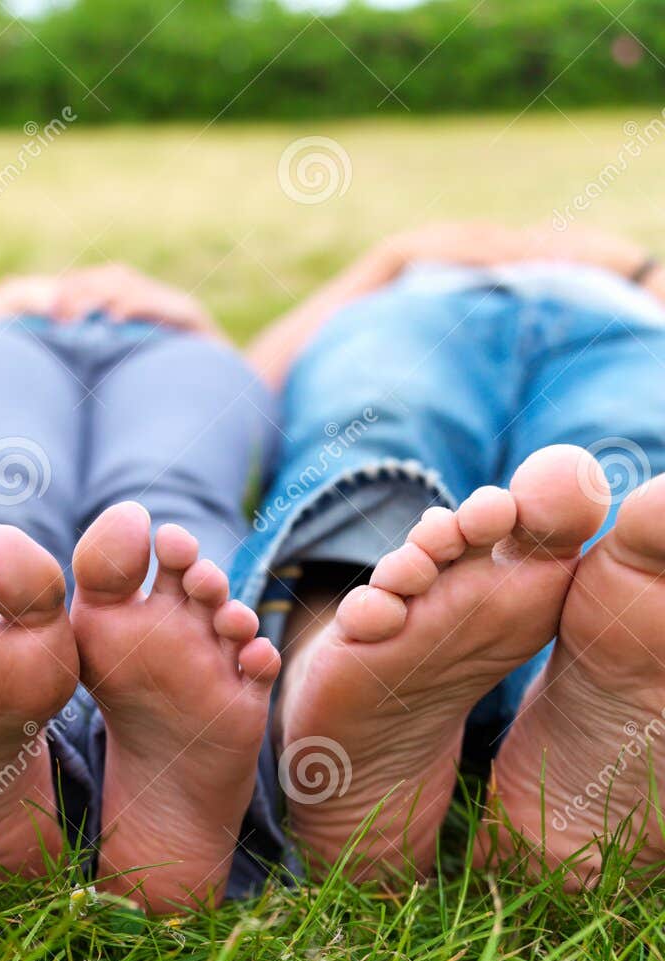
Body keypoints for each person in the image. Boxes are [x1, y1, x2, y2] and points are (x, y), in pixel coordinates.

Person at [237, 223, 665, 891]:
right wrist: (388, 259)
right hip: (420, 310)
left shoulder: (629, 280)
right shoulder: (404, 276)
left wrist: (637, 271)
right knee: (373, 431)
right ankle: (555, 706)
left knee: (635, 493)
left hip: (622, 321)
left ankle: (589, 694)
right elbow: (251, 382)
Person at [0, 266, 282, 912]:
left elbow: (284, 369)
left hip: (168, 344)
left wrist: (194, 319)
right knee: (162, 511)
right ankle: (160, 769)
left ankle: (32, 769)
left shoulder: (182, 328)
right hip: (19, 335)